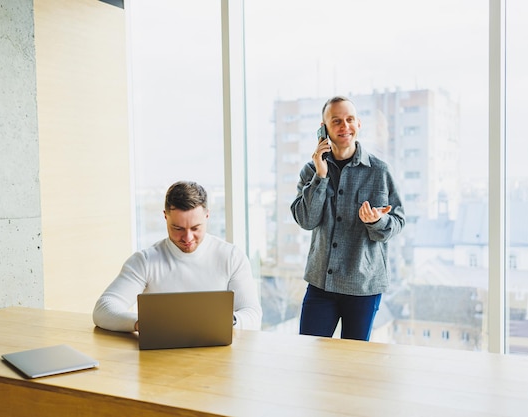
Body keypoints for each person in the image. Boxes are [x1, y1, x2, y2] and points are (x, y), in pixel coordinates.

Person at [290, 96, 405, 341]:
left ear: (359, 124)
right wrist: (320, 177)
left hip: (363, 287)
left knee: (354, 364)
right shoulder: (311, 170)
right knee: (311, 354)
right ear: (323, 128)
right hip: (321, 284)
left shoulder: (380, 171)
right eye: (337, 121)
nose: (345, 126)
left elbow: (398, 221)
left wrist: (376, 222)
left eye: (350, 119)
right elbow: (306, 220)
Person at [93, 180, 262, 332]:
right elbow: (103, 309)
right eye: (178, 228)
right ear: (165, 217)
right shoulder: (145, 261)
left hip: (220, 358)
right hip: (160, 359)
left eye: (195, 228)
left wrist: (224, 322)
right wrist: (142, 323)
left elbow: (253, 315)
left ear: (207, 216)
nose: (188, 238)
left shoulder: (231, 257)